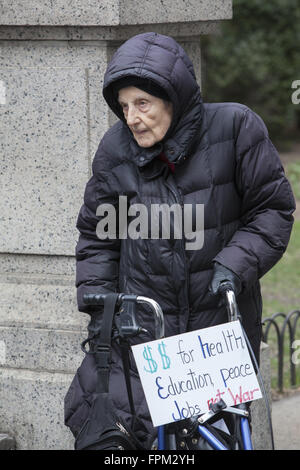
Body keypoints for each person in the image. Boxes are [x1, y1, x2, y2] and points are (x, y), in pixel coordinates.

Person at [64, 32, 295, 448]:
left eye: (142, 104)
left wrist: (234, 264)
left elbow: (273, 210)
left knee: (214, 439)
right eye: (124, 106)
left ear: (173, 97)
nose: (131, 117)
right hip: (142, 331)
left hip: (214, 327)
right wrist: (99, 302)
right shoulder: (116, 149)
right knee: (110, 430)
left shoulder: (236, 127)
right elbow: (99, 235)